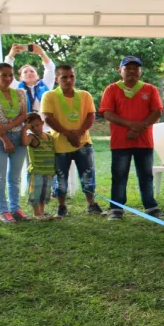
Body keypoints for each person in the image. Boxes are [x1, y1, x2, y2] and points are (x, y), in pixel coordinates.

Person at [100, 56, 164, 220]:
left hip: (144, 141)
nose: (132, 71)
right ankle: (116, 208)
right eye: (127, 68)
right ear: (120, 70)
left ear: (140, 71)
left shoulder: (150, 89)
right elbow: (107, 112)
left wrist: (139, 128)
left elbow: (157, 111)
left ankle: (150, 206)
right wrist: (131, 125)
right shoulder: (112, 89)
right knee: (119, 175)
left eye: (135, 68)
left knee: (146, 174)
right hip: (120, 141)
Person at [40, 64, 101, 217]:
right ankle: (61, 206)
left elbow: (90, 116)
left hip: (83, 142)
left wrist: (79, 133)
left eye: (71, 76)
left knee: (88, 174)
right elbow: (48, 117)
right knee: (60, 177)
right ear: (56, 79)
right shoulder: (49, 96)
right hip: (60, 144)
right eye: (64, 77)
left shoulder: (85, 95)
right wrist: (68, 134)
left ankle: (91, 203)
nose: (69, 80)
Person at [0, 63, 29, 223]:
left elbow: (24, 115)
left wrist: (9, 126)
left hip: (18, 137)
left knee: (14, 177)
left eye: (11, 75)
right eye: (4, 75)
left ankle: (15, 208)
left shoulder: (20, 93)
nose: (8, 78)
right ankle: (3, 211)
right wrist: (5, 139)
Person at [20, 114, 55, 219]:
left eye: (37, 125)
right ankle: (37, 213)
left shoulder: (50, 137)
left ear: (42, 123)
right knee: (36, 192)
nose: (35, 129)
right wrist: (24, 130)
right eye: (32, 127)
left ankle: (42, 212)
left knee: (45, 193)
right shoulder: (32, 137)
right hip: (36, 171)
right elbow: (24, 142)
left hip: (48, 171)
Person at [4, 43, 56, 114]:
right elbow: (6, 70)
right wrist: (11, 55)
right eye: (25, 72)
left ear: (37, 76)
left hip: (44, 123)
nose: (29, 73)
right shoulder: (16, 86)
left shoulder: (45, 85)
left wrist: (42, 53)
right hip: (23, 124)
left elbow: (50, 68)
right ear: (20, 78)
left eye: (32, 71)